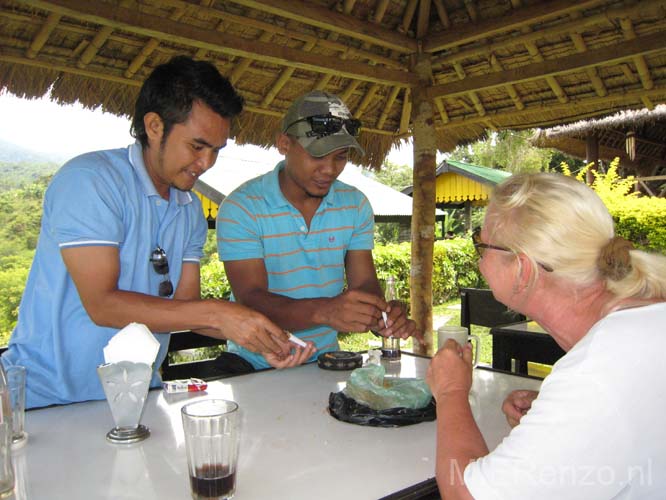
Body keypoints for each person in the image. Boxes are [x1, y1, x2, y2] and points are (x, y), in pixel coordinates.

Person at [1, 56, 290, 409]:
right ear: (154, 126)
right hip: (43, 401)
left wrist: (260, 338)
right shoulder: (91, 181)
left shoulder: (189, 210)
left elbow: (186, 309)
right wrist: (221, 314)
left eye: (216, 150)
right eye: (197, 146)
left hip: (135, 401)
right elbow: (102, 304)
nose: (206, 163)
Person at [426, 172, 666, 499]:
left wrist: (451, 391)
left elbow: (463, 494)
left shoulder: (594, 373)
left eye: (482, 245)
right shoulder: (638, 329)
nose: (479, 260)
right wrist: (561, 417)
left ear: (523, 270)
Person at [217, 90, 420, 371]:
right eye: (317, 155)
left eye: (340, 156)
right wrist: (325, 311)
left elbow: (364, 285)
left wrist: (379, 314)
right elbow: (251, 298)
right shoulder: (242, 207)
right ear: (284, 144)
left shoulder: (355, 205)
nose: (330, 169)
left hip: (325, 363)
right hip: (254, 362)